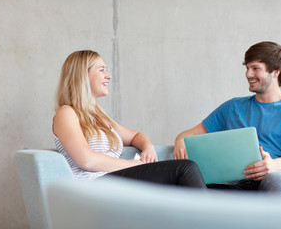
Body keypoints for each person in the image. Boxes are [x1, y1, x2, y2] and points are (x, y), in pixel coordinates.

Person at [174, 41, 281, 196]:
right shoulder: (232, 108)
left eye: (255, 68)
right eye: (247, 68)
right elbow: (187, 135)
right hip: (246, 185)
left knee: (273, 179)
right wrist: (181, 140)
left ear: (276, 72)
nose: (248, 74)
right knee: (192, 187)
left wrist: (274, 165)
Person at [52, 50, 206, 188]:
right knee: (185, 169)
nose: (108, 75)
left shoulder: (100, 118)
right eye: (101, 70)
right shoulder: (66, 113)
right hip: (94, 185)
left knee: (179, 184)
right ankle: (209, 218)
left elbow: (135, 136)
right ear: (83, 75)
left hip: (115, 180)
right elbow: (86, 160)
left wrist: (148, 147)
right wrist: (130, 165)